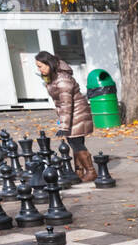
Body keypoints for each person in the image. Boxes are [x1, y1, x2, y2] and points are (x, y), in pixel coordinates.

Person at [35, 51, 96, 183]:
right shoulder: (54, 76)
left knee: (76, 143)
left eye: (40, 66)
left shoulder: (62, 80)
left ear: (49, 64)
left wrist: (63, 125)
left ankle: (91, 172)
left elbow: (66, 104)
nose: (39, 69)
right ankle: (79, 171)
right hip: (72, 115)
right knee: (74, 143)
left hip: (76, 114)